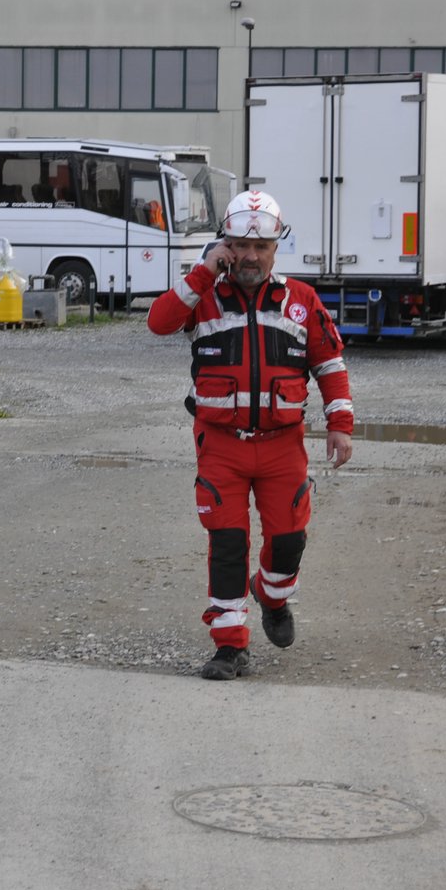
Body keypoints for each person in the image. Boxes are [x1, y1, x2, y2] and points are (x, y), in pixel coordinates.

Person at [147, 189, 354, 680]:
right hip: (221, 444)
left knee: (287, 541)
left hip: (283, 446)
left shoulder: (301, 301)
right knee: (227, 541)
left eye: (262, 248)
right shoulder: (202, 296)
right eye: (241, 245)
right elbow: (158, 322)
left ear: (276, 248)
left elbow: (329, 364)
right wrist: (202, 273)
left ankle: (273, 596)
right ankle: (230, 645)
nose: (251, 257)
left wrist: (340, 425)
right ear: (227, 243)